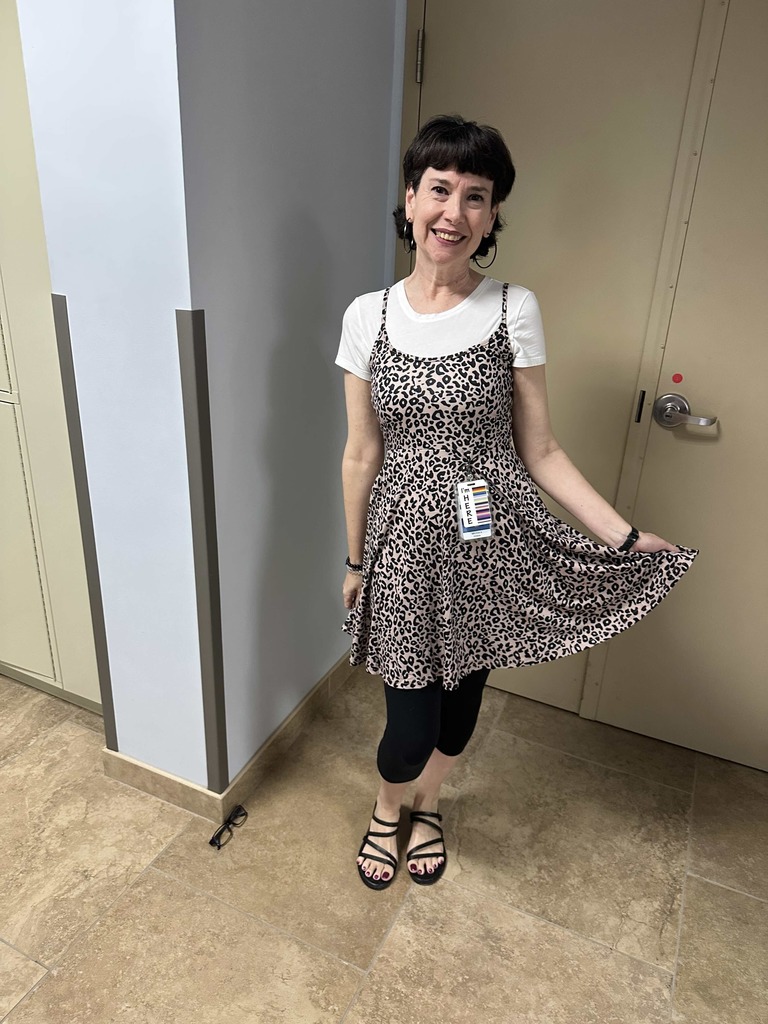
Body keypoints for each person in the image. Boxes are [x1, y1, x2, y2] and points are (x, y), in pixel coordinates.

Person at [335, 114, 696, 891]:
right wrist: (355, 558)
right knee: (408, 727)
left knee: (460, 714)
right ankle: (389, 802)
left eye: (476, 196)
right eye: (439, 190)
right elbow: (362, 452)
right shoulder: (369, 315)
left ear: (493, 214)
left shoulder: (511, 308)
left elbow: (542, 451)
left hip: (486, 544)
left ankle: (427, 804)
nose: (453, 214)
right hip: (402, 549)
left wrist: (625, 538)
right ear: (409, 198)